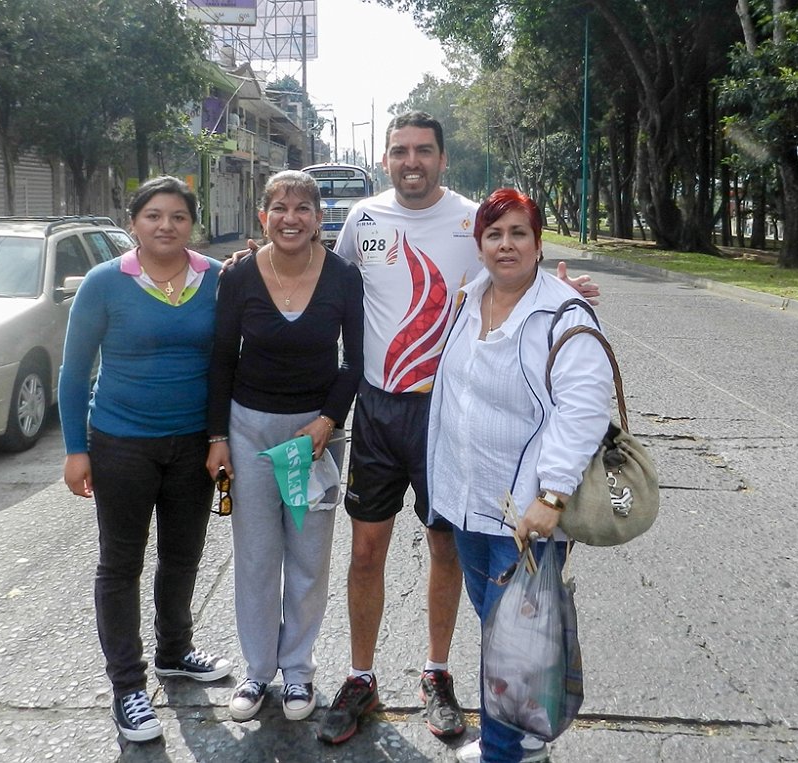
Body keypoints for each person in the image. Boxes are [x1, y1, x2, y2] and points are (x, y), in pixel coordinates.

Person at [315, 111, 600, 758]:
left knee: (448, 548)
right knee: (365, 551)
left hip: (441, 415)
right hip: (379, 410)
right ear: (385, 159)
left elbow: (514, 277)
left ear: (443, 158)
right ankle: (360, 677)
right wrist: (247, 265)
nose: (411, 161)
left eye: (423, 150)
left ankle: (437, 673)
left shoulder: (473, 219)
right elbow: (328, 282)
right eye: (400, 151)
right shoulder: (362, 219)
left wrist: (557, 288)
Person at [426, 188, 612, 763]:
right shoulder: (470, 298)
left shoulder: (562, 313)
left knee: (512, 641)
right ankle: (522, 735)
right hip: (469, 500)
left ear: (537, 242)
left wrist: (552, 496)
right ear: (479, 244)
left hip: (526, 516)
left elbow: (584, 411)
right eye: (494, 234)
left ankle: (505, 751)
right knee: (500, 632)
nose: (505, 245)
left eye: (518, 233)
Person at [58, 176, 232, 745]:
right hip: (121, 443)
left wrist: (219, 436)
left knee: (182, 556)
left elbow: (227, 361)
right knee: (120, 564)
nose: (166, 226)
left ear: (192, 225)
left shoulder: (215, 278)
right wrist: (76, 449)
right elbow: (73, 371)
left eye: (178, 216)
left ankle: (175, 650)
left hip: (193, 445)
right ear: (133, 222)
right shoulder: (105, 282)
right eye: (154, 215)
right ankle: (128, 686)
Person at [206, 169, 364, 724]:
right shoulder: (240, 275)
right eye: (280, 208)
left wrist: (327, 422)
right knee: (254, 557)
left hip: (312, 440)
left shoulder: (343, 276)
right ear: (263, 216)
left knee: (308, 558)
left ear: (319, 219)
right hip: (248, 429)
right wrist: (217, 438)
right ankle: (257, 670)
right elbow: (221, 357)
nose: (290, 218)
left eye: (302, 209)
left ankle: (297, 671)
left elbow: (355, 361)